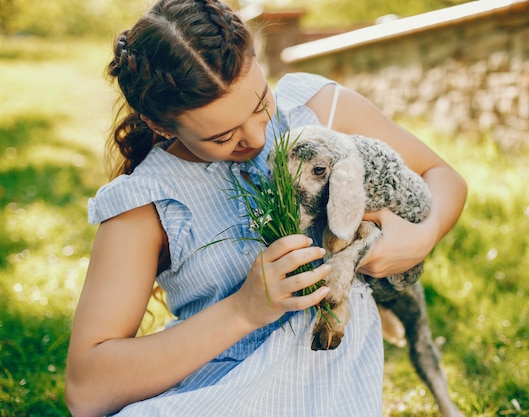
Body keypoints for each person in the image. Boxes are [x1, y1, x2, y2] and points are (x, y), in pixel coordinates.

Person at [64, 0, 467, 416]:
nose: (258, 138)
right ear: (162, 126)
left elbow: (442, 175)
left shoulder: (320, 110)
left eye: (260, 103)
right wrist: (243, 310)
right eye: (222, 137)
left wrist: (424, 234)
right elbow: (86, 390)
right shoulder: (149, 201)